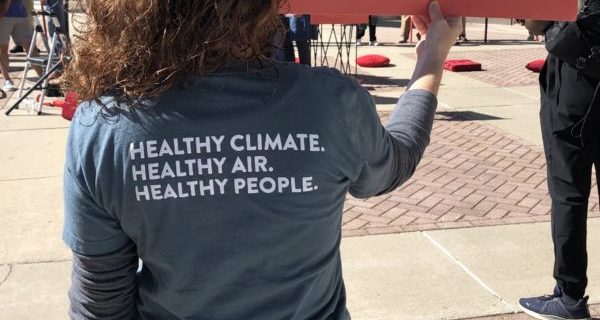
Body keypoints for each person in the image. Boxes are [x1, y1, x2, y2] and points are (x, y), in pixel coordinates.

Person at [61, 1, 462, 319]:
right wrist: (431, 59)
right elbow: (398, 159)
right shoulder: (327, 104)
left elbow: (101, 302)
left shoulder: (104, 127)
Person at [519, 0, 600, 319]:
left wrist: (540, 22)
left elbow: (540, 19)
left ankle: (569, 294)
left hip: (577, 75)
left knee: (568, 192)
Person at [0, 0, 37, 91]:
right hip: (3, 14)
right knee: (3, 48)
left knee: (30, 46)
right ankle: (7, 80)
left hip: (20, 13)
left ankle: (43, 78)